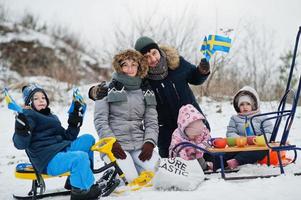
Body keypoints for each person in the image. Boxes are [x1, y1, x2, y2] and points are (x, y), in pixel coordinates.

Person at [89, 36, 211, 158]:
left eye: (154, 53)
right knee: (172, 167)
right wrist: (94, 92)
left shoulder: (177, 64)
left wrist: (202, 71)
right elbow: (121, 84)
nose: (152, 59)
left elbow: (195, 78)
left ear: (159, 51)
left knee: (206, 158)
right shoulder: (141, 79)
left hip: (191, 123)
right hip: (165, 131)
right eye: (146, 57)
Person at [12, 84, 118, 200]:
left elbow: (67, 137)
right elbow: (20, 144)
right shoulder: (27, 116)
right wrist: (21, 130)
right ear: (29, 103)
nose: (41, 100)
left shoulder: (51, 116)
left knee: (88, 139)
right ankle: (81, 192)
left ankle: (76, 181)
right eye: (36, 98)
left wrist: (75, 120)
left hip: (59, 150)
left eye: (43, 97)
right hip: (47, 160)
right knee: (79, 158)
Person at [94, 49, 159, 182]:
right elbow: (100, 121)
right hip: (116, 145)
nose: (130, 69)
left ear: (139, 67)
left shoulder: (146, 91)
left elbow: (151, 121)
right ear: (119, 67)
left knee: (160, 172)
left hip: (139, 144)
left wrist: (150, 142)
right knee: (128, 179)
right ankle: (118, 168)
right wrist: (112, 143)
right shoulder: (106, 89)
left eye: (133, 65)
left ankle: (136, 165)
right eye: (125, 65)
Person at [222, 85, 273, 169]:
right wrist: (241, 139)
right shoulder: (234, 118)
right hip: (240, 145)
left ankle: (236, 161)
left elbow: (269, 131)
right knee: (228, 152)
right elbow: (230, 132)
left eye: (248, 104)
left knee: (262, 151)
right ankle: (214, 164)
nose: (245, 107)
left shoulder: (262, 117)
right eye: (242, 104)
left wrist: (260, 139)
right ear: (238, 106)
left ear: (253, 105)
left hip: (256, 146)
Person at [169, 104, 212, 170]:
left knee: (202, 165)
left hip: (198, 155)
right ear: (185, 130)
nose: (196, 137)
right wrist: (181, 153)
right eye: (194, 135)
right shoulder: (177, 134)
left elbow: (208, 139)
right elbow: (173, 148)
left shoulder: (203, 130)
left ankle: (206, 167)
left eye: (198, 135)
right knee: (183, 165)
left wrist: (202, 145)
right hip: (183, 157)